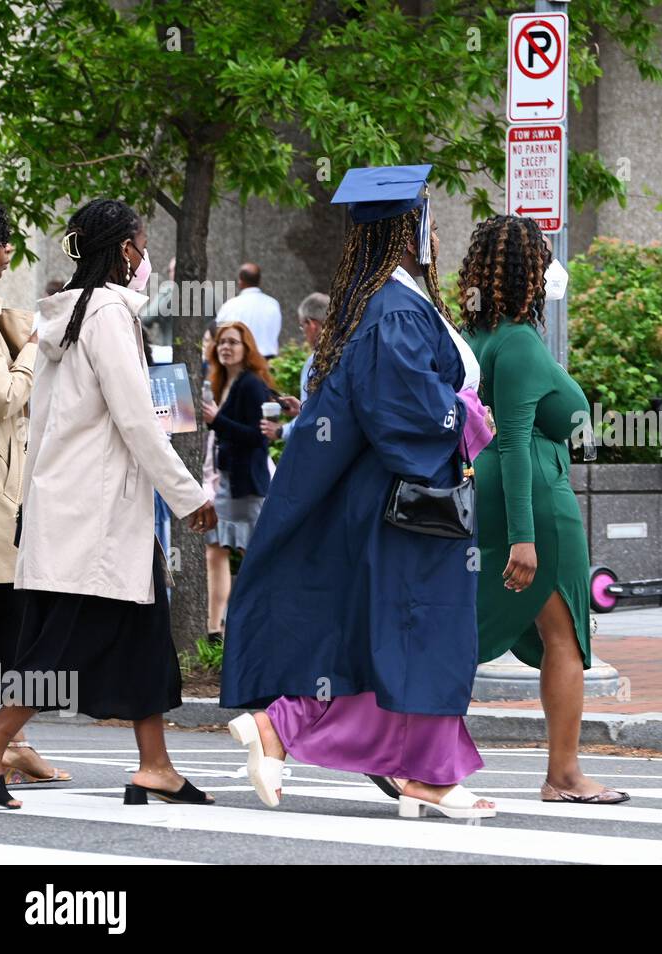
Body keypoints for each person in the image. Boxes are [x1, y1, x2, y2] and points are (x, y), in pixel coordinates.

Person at [220, 165, 495, 819]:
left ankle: (288, 729)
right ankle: (418, 771)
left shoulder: (365, 304)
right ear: (409, 230)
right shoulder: (393, 310)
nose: (431, 233)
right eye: (425, 219)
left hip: (387, 499)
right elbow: (406, 412)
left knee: (396, 640)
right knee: (425, 634)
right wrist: (466, 414)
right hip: (408, 505)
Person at [0, 198, 218, 810]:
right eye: (142, 243)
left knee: (144, 634)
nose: (148, 256)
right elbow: (137, 418)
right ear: (126, 250)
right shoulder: (109, 312)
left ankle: (155, 766)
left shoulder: (72, 312)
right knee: (60, 644)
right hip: (98, 514)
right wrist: (188, 496)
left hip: (86, 508)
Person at [462, 215, 629, 806]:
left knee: (462, 628)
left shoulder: (473, 339)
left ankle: (410, 745)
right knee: (565, 638)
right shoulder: (522, 344)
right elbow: (514, 441)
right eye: (545, 261)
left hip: (485, 493)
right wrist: (525, 539)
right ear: (528, 273)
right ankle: (564, 775)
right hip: (536, 496)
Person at [0, 192, 69, 786]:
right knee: (12, 619)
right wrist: (32, 350)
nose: (9, 246)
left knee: (12, 620)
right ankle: (6, 742)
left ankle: (10, 741)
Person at [201, 321, 273, 641]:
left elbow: (259, 438)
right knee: (214, 549)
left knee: (252, 554)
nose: (225, 347)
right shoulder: (219, 383)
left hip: (248, 485)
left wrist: (219, 422)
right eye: (221, 342)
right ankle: (215, 628)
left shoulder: (252, 385)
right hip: (225, 483)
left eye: (233, 342)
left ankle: (260, 624)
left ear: (247, 348)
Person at [259, 292, 329, 444]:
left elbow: (316, 415)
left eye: (301, 326)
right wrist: (302, 408)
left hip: (322, 444)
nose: (303, 333)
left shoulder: (317, 361)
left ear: (311, 324)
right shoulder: (348, 350)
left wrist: (281, 430)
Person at [215, 263, 283, 359]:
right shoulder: (273, 304)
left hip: (240, 361)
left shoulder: (230, 306)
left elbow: (220, 332)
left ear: (240, 281)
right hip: (267, 362)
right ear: (259, 281)